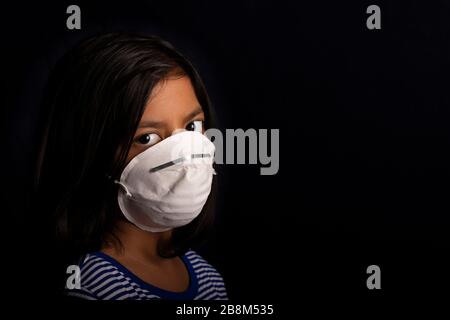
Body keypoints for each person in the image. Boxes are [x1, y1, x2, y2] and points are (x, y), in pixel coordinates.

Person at [34, 32, 227, 300]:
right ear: (91, 152)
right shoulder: (92, 287)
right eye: (147, 138)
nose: (183, 154)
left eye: (192, 126)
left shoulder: (206, 276)